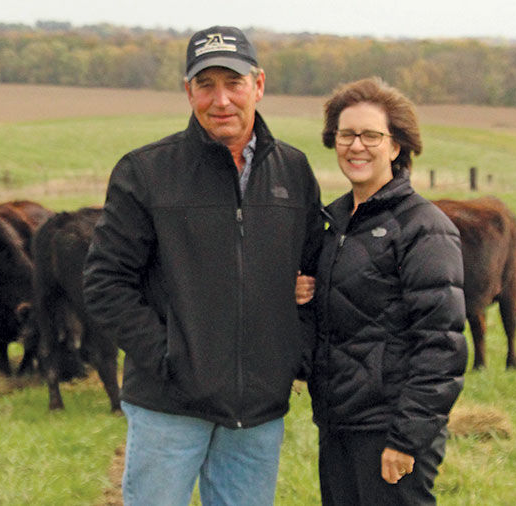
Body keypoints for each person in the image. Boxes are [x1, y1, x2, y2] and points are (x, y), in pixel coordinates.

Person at [83, 25, 323, 506]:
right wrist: (169, 358)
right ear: (187, 90)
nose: (221, 100)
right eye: (205, 84)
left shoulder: (293, 172)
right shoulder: (146, 172)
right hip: (169, 406)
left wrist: (290, 356)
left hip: (257, 411)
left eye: (233, 83)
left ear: (258, 85)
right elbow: (105, 283)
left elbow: (316, 272)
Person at [300, 77, 468, 505]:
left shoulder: (423, 228)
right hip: (338, 424)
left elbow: (441, 345)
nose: (357, 146)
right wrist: (304, 296)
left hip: (390, 431)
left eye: (371, 135)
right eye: (346, 135)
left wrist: (407, 438)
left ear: (396, 146)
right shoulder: (334, 223)